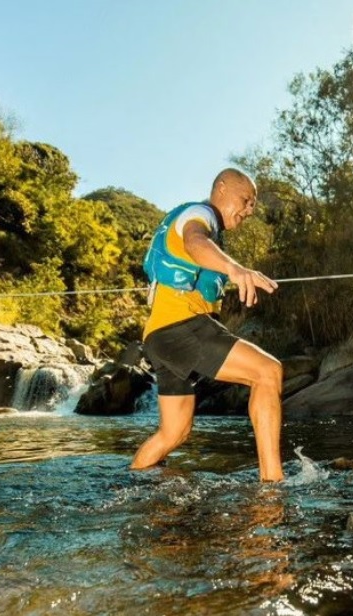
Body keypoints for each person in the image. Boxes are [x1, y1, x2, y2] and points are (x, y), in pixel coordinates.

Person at [131, 168, 285, 482]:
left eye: (253, 205)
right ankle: (273, 486)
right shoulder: (201, 214)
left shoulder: (202, 222)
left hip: (159, 336)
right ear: (222, 187)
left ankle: (131, 483)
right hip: (180, 326)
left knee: (174, 433)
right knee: (268, 372)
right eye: (246, 200)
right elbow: (194, 241)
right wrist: (235, 269)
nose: (249, 210)